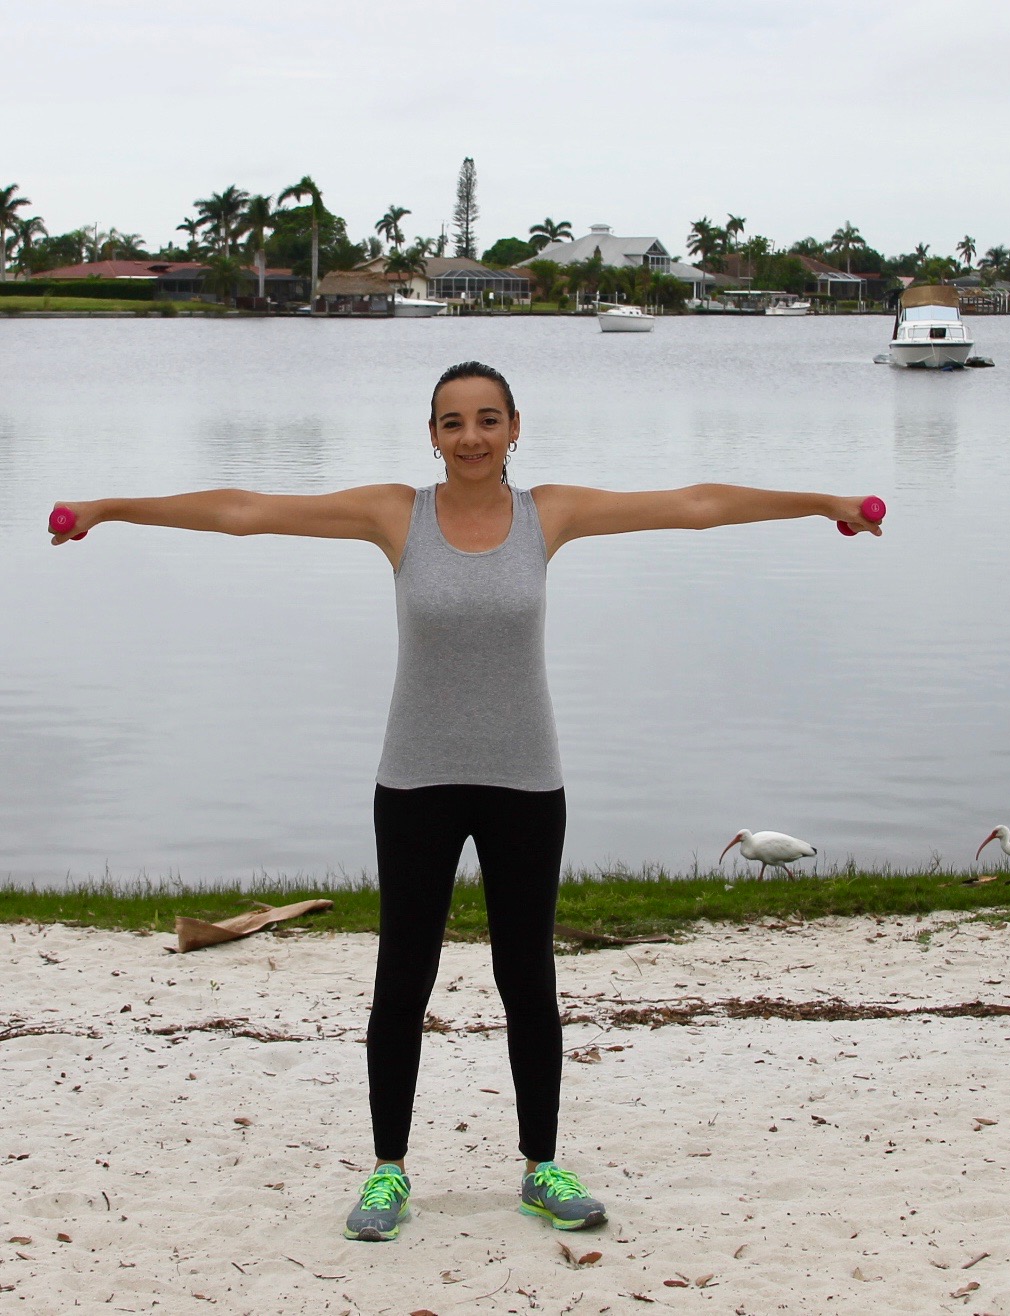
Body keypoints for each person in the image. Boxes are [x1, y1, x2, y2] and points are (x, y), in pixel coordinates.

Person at [50, 359, 884, 1243]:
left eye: (489, 420)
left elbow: (694, 502)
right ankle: (387, 1174)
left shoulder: (548, 514)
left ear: (516, 428)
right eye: (453, 422)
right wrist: (110, 508)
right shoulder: (392, 514)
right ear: (432, 436)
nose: (472, 437)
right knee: (400, 979)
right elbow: (247, 512)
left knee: (527, 976)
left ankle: (541, 1167)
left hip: (527, 778)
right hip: (415, 780)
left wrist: (821, 499)